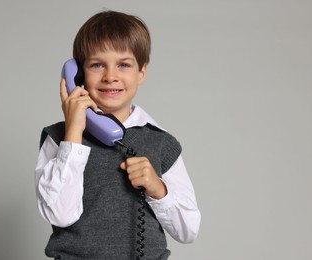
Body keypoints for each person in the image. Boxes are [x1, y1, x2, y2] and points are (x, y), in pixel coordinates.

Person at [35, 10, 201, 260]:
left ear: (141, 72)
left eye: (123, 65)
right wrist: (73, 133)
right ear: (77, 76)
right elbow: (60, 214)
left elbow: (189, 229)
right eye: (97, 65)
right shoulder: (59, 138)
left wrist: (158, 189)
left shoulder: (161, 142)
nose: (110, 76)